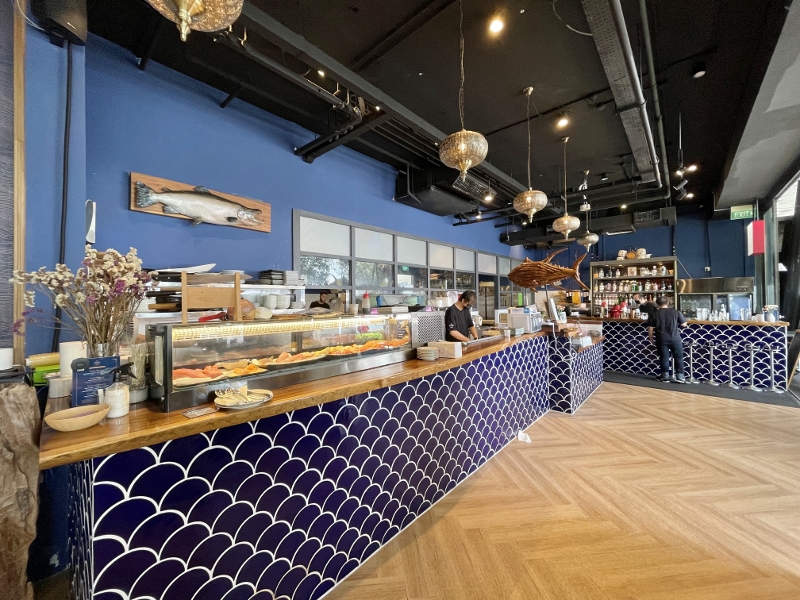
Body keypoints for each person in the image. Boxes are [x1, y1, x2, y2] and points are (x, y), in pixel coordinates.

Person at [648, 296, 688, 383]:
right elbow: (684, 324)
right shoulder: (676, 312)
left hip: (661, 339)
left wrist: (651, 338)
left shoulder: (654, 313)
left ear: (657, 304)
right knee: (678, 357)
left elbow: (650, 327)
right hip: (675, 338)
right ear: (668, 303)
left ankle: (665, 376)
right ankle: (680, 377)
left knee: (664, 358)